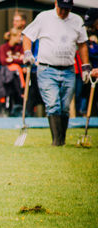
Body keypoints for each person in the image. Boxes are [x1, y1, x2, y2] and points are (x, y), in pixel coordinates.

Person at [22, 0, 90, 146]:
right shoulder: (44, 17)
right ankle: (56, 141)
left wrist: (85, 66)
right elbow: (27, 36)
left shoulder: (77, 20)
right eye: (62, 8)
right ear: (55, 4)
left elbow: (82, 43)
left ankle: (62, 139)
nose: (64, 12)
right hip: (47, 68)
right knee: (53, 104)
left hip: (68, 69)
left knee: (65, 107)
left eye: (67, 9)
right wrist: (28, 52)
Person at [0, 27, 24, 117]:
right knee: (7, 95)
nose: (20, 39)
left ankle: (18, 113)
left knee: (19, 95)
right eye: (19, 37)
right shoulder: (4, 47)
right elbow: (3, 61)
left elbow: (23, 60)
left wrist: (11, 60)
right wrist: (16, 59)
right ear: (12, 36)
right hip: (6, 77)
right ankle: (7, 113)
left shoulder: (20, 48)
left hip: (18, 77)